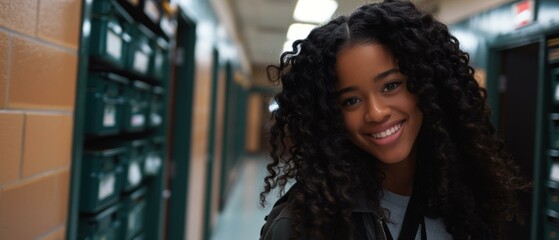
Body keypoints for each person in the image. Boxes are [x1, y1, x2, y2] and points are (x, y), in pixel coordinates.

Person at [259, 0, 528, 239]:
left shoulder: (466, 198)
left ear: (426, 85)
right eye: (351, 101)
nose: (376, 112)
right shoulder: (303, 225)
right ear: (332, 116)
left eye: (391, 86)